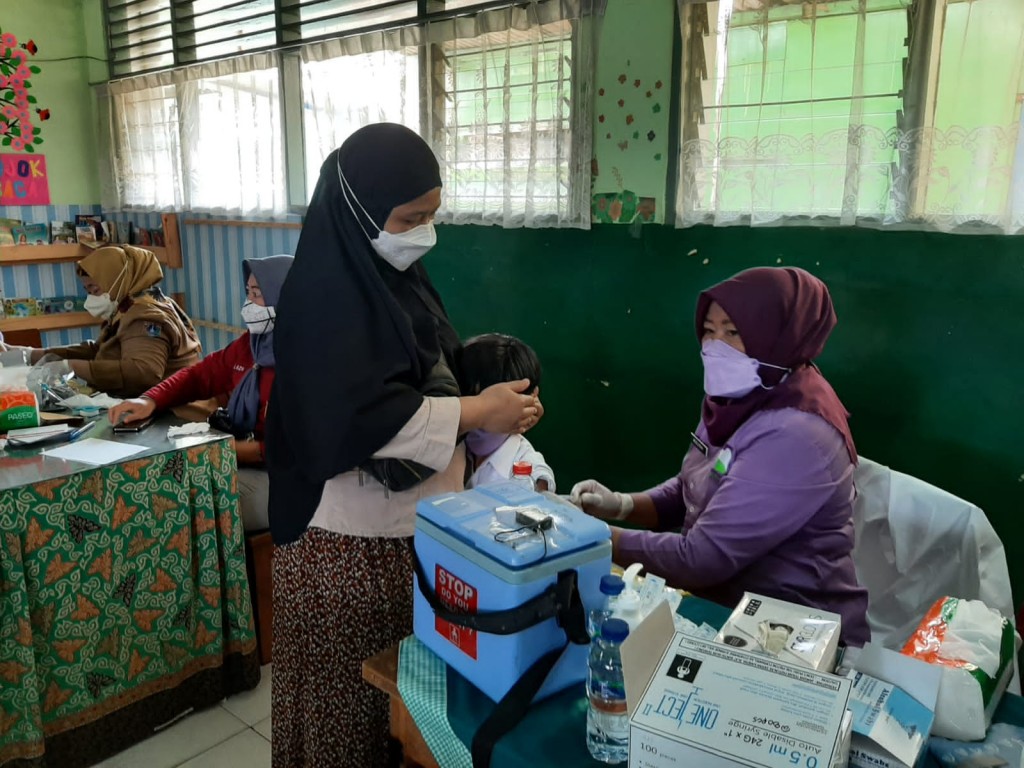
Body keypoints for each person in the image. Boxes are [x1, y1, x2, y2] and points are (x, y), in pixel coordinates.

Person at [265, 123, 541, 768]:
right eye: (411, 217)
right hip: (344, 546)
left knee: (399, 711)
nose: (423, 231)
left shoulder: (398, 278)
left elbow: (423, 370)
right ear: (360, 208)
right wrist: (474, 409)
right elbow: (354, 416)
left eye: (432, 215)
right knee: (350, 708)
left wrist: (497, 405)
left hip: (408, 530)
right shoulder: (322, 297)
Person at [571, 267, 870, 648]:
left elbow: (702, 558)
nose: (714, 347)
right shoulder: (737, 395)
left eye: (733, 332)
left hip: (794, 634)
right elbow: (694, 486)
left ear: (780, 335)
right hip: (724, 608)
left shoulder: (798, 434)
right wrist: (621, 505)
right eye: (708, 331)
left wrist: (588, 535)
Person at [108, 255, 293, 531]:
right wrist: (150, 400)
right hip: (237, 456)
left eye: (257, 294)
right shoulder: (250, 345)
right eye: (247, 292)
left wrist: (226, 451)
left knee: (191, 508)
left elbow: (294, 446)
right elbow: (200, 375)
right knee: (161, 488)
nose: (248, 303)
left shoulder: (303, 360)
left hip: (284, 478)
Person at [21, 245, 201, 398]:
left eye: (94, 289)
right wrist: (32, 354)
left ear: (117, 280)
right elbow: (101, 350)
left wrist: (72, 366)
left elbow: (143, 373)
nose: (90, 298)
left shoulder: (145, 317)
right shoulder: (133, 305)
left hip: (171, 414)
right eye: (87, 290)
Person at [457, 332, 555, 491]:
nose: (478, 408)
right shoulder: (448, 442)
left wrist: (538, 489)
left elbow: (540, 484)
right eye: (470, 395)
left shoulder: (527, 468)